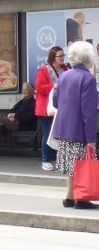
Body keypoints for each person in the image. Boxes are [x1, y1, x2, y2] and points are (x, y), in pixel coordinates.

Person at [52, 41, 98, 209]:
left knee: (72, 164)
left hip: (64, 128)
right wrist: (91, 139)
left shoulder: (64, 75)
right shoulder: (88, 79)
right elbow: (89, 113)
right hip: (80, 130)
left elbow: (56, 102)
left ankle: (69, 196)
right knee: (81, 164)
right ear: (88, 59)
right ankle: (82, 198)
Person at [35, 46, 66, 171]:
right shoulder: (44, 70)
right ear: (53, 57)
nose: (62, 58)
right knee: (48, 134)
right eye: (60, 56)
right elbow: (39, 88)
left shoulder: (65, 69)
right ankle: (46, 160)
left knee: (60, 135)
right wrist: (54, 86)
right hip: (46, 108)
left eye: (63, 55)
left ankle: (60, 160)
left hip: (61, 107)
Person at [0, 82, 36, 154]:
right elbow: (11, 111)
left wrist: (15, 116)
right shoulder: (21, 101)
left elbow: (30, 117)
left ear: (32, 91)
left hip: (21, 124)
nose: (23, 92)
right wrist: (10, 116)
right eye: (23, 90)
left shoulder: (34, 103)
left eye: (26, 90)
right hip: (12, 122)